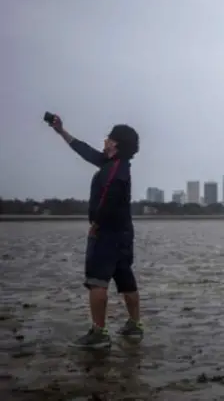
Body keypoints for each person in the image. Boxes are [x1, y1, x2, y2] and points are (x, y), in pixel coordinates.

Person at [47, 114, 143, 349]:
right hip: (123, 233)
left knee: (97, 282)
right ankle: (134, 325)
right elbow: (86, 152)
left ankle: (99, 333)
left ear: (115, 144)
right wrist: (62, 131)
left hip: (108, 233)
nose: (105, 140)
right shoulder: (114, 164)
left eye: (109, 138)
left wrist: (96, 226)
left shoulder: (115, 170)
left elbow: (109, 200)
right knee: (125, 278)